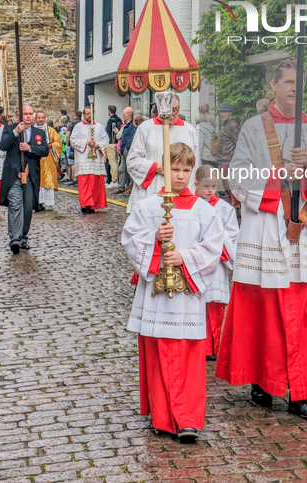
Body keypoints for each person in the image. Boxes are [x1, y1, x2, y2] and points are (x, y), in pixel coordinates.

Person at [215, 58, 307, 420]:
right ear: (273, 85)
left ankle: (300, 391)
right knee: (265, 311)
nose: (293, 89)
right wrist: (277, 172)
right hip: (266, 227)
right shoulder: (255, 127)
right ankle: (264, 381)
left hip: (302, 228)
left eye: (299, 83)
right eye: (287, 82)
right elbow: (236, 177)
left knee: (304, 313)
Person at [121, 142, 224, 442]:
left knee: (189, 355)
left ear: (192, 172)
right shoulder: (149, 207)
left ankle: (189, 419)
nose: (180, 176)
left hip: (187, 298)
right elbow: (130, 238)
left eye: (186, 170)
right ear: (165, 170)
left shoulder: (204, 211)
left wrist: (185, 258)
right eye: (175, 169)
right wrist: (154, 239)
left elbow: (213, 247)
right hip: (156, 295)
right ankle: (164, 418)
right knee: (158, 352)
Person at [195, 165, 239, 358]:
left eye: (213, 185)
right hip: (198, 260)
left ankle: (214, 346)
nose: (210, 190)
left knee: (215, 304)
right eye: (206, 185)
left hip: (217, 264)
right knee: (198, 305)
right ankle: (199, 345)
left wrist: (222, 245)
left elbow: (232, 233)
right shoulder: (191, 206)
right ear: (196, 185)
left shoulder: (224, 209)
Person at [126, 94, 198, 213]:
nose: (170, 114)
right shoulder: (146, 128)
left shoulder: (189, 131)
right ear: (159, 108)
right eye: (166, 110)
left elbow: (195, 166)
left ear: (179, 108)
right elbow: (132, 161)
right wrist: (155, 167)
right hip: (152, 187)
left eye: (174, 110)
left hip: (181, 189)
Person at [0, 104, 48, 255]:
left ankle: (23, 236)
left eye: (30, 113)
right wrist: (15, 132)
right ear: (19, 116)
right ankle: (14, 239)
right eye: (25, 113)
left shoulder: (39, 132)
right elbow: (2, 146)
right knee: (15, 205)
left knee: (27, 207)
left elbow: (45, 150)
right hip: (14, 175)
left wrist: (30, 148)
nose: (28, 116)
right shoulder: (9, 129)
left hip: (30, 176)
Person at [69, 106, 108, 214]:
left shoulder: (99, 127)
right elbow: (73, 140)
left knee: (96, 183)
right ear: (83, 115)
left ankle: (93, 205)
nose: (89, 116)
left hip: (96, 160)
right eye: (87, 114)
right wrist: (87, 142)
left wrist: (97, 145)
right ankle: (85, 204)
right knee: (85, 184)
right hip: (84, 159)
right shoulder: (78, 127)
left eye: (91, 114)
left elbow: (106, 139)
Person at [35, 111, 62, 210]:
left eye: (42, 117)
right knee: (38, 181)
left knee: (48, 180)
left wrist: (52, 146)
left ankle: (48, 202)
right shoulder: (32, 130)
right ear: (35, 119)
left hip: (48, 159)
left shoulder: (51, 130)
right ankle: (38, 203)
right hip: (36, 160)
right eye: (39, 118)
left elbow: (58, 143)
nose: (41, 119)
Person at [215, 102, 241, 208]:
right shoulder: (226, 124)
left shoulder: (232, 125)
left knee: (229, 185)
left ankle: (234, 207)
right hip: (223, 159)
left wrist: (235, 160)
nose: (222, 114)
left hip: (228, 160)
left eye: (224, 112)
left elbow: (239, 143)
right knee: (226, 185)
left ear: (230, 113)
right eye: (221, 112)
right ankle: (230, 206)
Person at [114, 107, 136, 196]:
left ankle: (130, 187)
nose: (122, 116)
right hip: (124, 150)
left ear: (129, 115)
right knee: (121, 169)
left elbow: (131, 137)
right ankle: (121, 186)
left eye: (124, 114)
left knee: (129, 169)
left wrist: (127, 147)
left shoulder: (132, 125)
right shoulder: (126, 125)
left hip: (128, 149)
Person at [104, 105, 122, 186]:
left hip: (111, 143)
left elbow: (107, 132)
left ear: (109, 111)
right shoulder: (119, 119)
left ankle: (114, 180)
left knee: (112, 162)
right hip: (117, 142)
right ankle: (116, 179)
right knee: (116, 161)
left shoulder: (110, 120)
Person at [197, 103, 217, 168]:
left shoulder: (202, 125)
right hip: (213, 157)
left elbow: (200, 144)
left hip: (205, 157)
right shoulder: (211, 124)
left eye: (198, 109)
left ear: (201, 110)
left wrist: (197, 160)